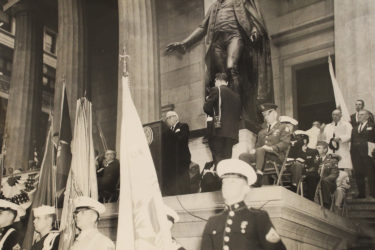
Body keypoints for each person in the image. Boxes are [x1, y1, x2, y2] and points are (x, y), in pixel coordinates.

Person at [165, 0, 273, 129]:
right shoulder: (214, 6)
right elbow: (202, 27)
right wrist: (185, 43)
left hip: (235, 35)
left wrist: (255, 29)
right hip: (217, 42)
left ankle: (238, 111)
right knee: (222, 77)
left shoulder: (241, 1)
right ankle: (225, 112)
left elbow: (254, 18)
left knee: (231, 67)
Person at [201, 159, 286, 250]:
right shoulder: (213, 222)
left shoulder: (258, 218)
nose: (226, 186)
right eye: (224, 182)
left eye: (232, 182)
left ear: (246, 189)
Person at [239, 103, 291, 187]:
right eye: (264, 115)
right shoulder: (262, 132)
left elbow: (285, 143)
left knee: (261, 150)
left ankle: (258, 178)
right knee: (243, 156)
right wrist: (254, 150)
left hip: (276, 156)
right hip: (262, 156)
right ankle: (250, 176)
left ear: (275, 113)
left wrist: (272, 148)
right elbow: (258, 145)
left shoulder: (283, 127)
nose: (266, 117)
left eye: (268, 114)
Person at [204, 73, 241, 166]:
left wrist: (208, 99)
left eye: (215, 81)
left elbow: (207, 108)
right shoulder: (236, 96)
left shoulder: (216, 90)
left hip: (218, 131)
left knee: (218, 160)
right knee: (227, 160)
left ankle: (220, 179)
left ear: (217, 81)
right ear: (227, 82)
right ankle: (226, 179)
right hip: (232, 134)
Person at [164, 111, 192, 195]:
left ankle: (187, 197)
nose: (168, 120)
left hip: (182, 158)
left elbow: (182, 139)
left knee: (184, 180)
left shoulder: (183, 126)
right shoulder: (167, 131)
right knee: (175, 182)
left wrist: (171, 134)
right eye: (166, 118)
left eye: (170, 117)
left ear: (176, 117)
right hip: (172, 160)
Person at [350, 109, 375, 199]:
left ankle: (373, 193)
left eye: (362, 114)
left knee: (371, 173)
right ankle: (361, 194)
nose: (359, 116)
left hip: (368, 154)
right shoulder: (355, 128)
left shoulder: (372, 126)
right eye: (359, 115)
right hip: (356, 155)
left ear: (367, 116)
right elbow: (352, 142)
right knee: (359, 174)